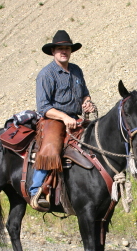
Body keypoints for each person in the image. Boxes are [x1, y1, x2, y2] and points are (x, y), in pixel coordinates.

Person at [30, 30, 96, 208]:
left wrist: (87, 104)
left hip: (75, 118)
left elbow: (84, 94)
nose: (64, 51)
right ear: (53, 51)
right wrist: (64, 117)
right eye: (60, 48)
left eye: (67, 48)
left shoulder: (76, 70)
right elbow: (43, 107)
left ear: (71, 51)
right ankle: (36, 190)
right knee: (51, 147)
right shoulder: (46, 74)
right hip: (53, 118)